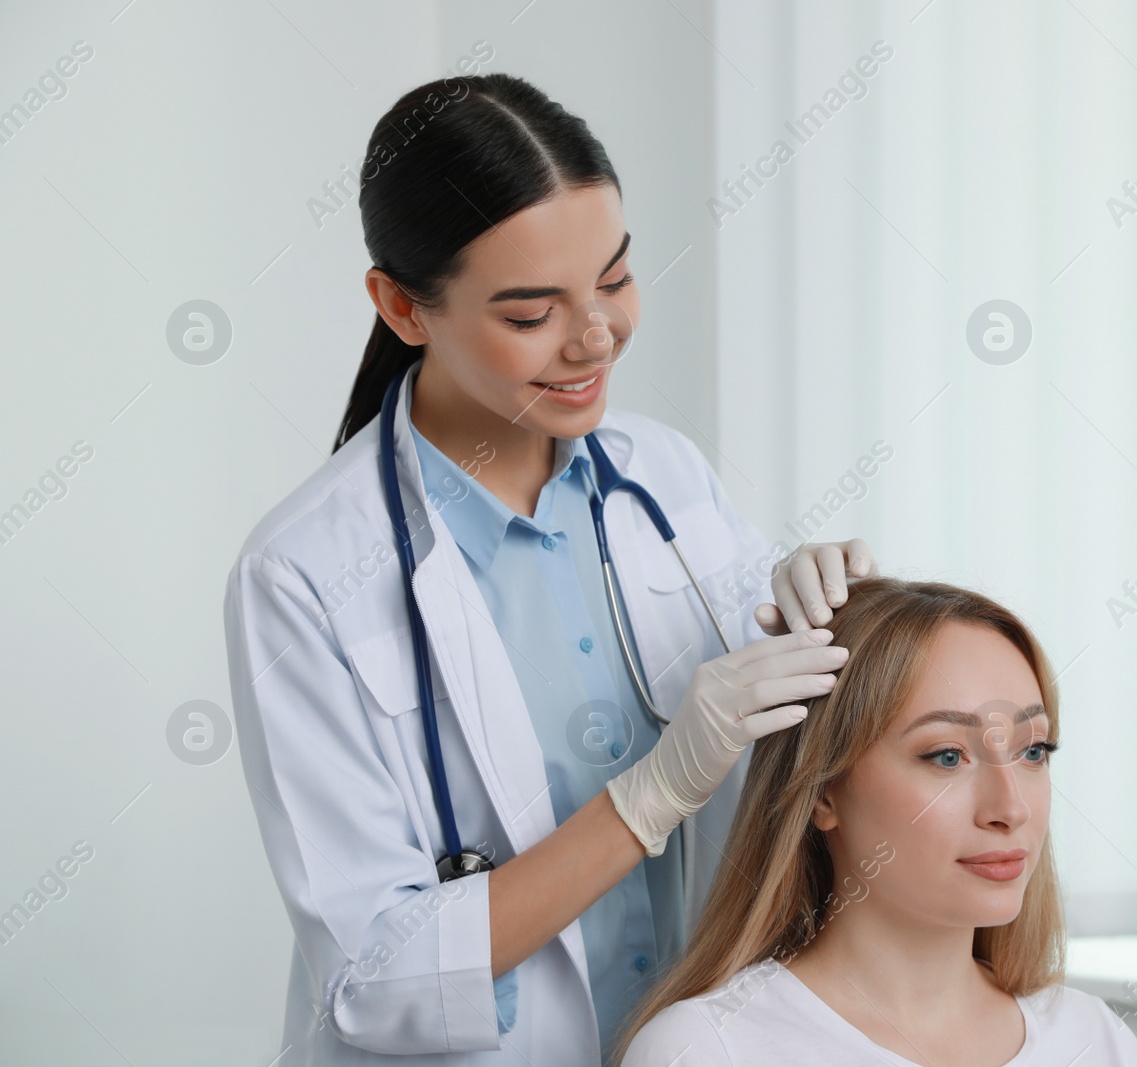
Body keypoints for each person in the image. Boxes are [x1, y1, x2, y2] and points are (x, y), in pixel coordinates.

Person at [222, 72, 876, 1065]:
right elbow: (375, 978)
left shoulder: (664, 476)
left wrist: (823, 618)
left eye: (612, 279)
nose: (596, 336)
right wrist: (647, 796)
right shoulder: (307, 572)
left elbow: (794, 766)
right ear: (402, 307)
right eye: (532, 312)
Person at [617, 577, 1137, 1067]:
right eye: (946, 756)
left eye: (1032, 750)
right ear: (823, 791)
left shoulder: (1095, 1039)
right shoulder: (709, 1049)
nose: (1011, 810)